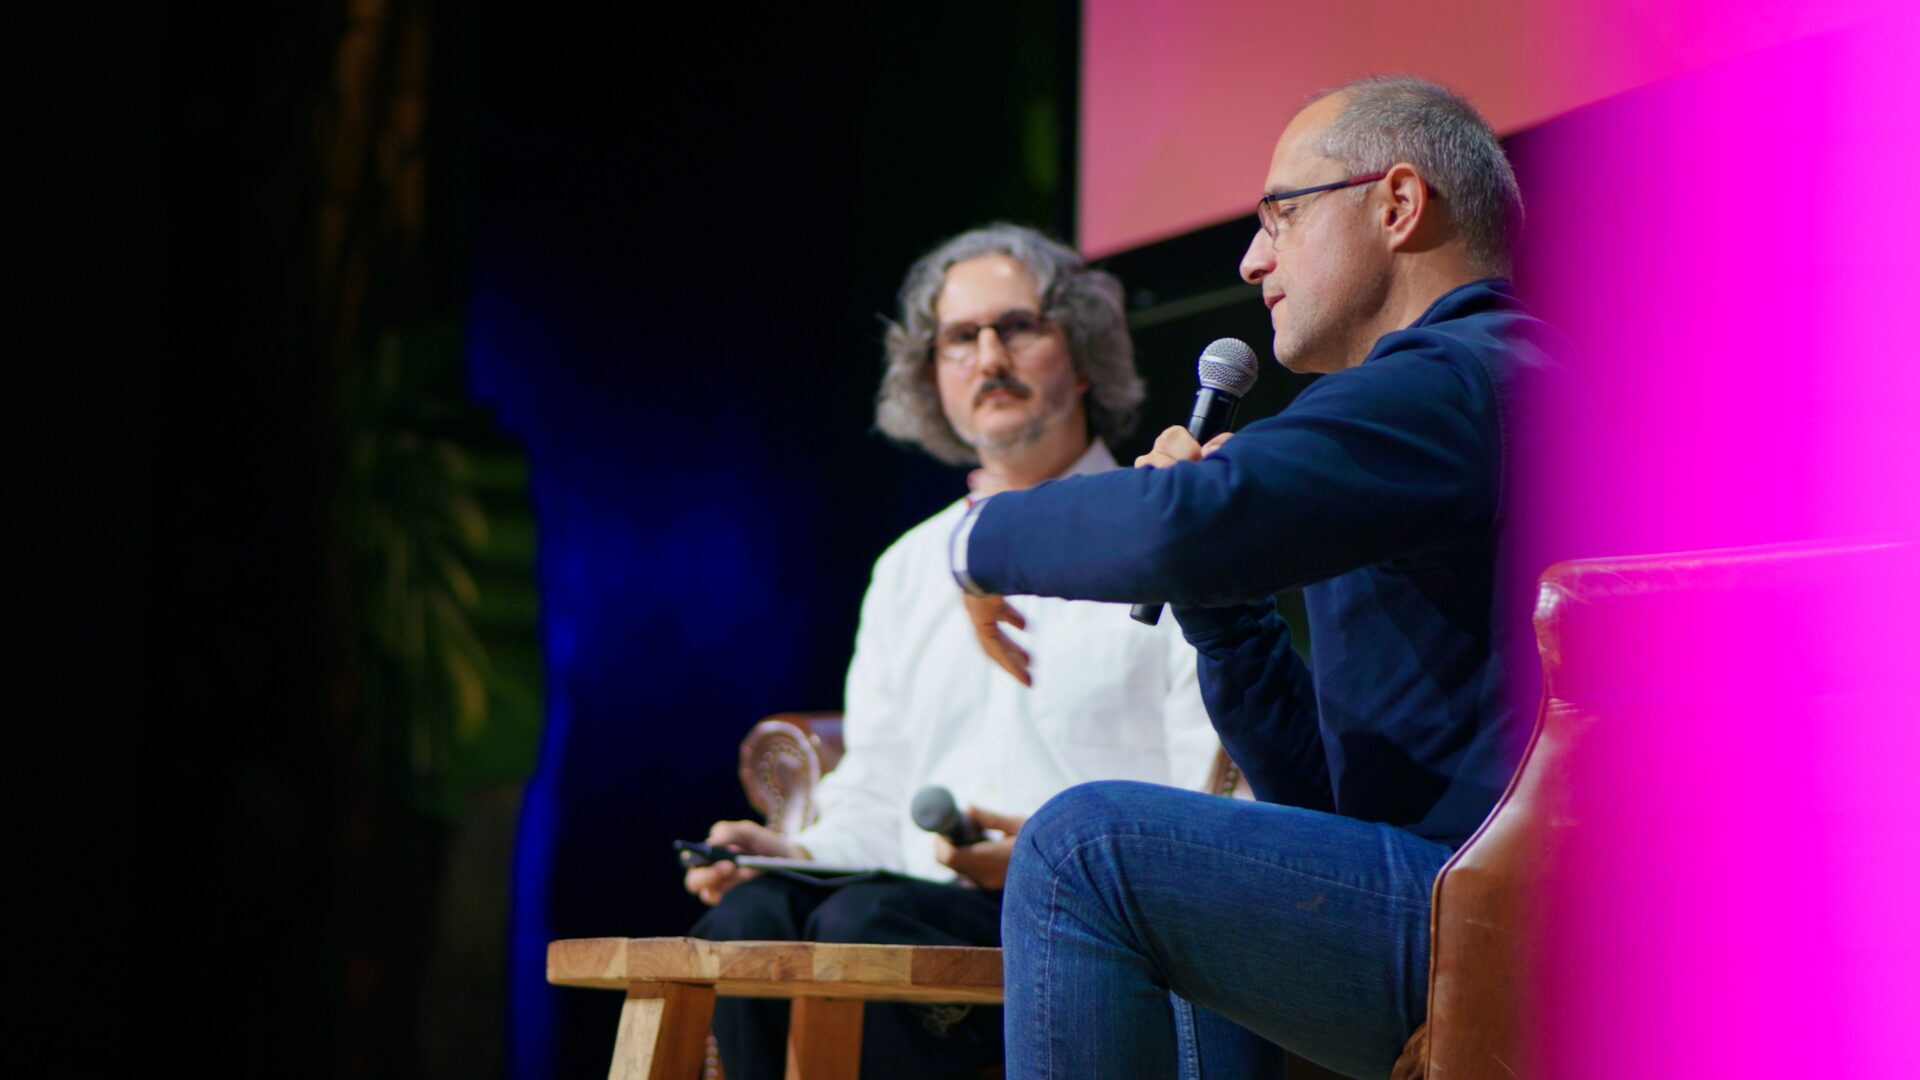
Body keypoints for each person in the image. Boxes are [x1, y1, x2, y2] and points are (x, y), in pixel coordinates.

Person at [950, 78, 1593, 1079]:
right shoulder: (1449, 403)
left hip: (1513, 918)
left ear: (1396, 204)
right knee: (1213, 853)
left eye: (1280, 217)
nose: (1252, 260)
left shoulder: (1465, 376)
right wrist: (1223, 604)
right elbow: (1314, 795)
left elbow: (1182, 522)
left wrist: (977, 540)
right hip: (1446, 891)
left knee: (1084, 848)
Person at [684, 223, 1277, 1080]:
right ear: (931, 377)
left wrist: (1054, 853)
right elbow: (879, 790)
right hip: (913, 900)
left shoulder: (1165, 521)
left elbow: (1214, 784)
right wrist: (790, 854)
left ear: (1081, 357)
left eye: (1018, 326)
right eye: (961, 338)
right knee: (749, 919)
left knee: (867, 926)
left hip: (1088, 913)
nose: (989, 354)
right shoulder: (907, 567)